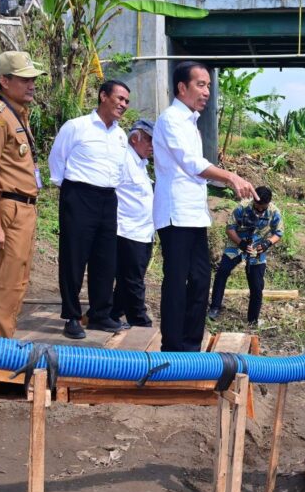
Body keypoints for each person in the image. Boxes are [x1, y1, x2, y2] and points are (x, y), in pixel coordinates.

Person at [153, 61, 256, 352]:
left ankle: (190, 344)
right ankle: (173, 347)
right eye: (201, 84)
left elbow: (195, 168)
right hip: (175, 214)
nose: (207, 91)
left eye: (209, 85)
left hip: (194, 214)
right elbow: (191, 164)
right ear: (182, 87)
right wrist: (231, 176)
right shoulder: (171, 119)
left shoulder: (191, 123)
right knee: (177, 280)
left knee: (200, 278)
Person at [48, 80, 130, 339]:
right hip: (79, 195)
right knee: (74, 257)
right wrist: (70, 192)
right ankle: (72, 316)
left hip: (108, 198)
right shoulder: (77, 126)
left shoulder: (120, 134)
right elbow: (57, 160)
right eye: (119, 98)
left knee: (106, 259)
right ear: (103, 96)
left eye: (127, 101)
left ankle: (100, 314)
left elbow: (120, 170)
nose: (123, 105)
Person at [0, 51, 46, 338]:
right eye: (23, 79)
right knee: (6, 280)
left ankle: (3, 343)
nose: (31, 85)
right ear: (4, 81)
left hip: (25, 207)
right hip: (10, 207)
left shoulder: (17, 114)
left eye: (32, 79)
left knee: (18, 279)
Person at [207, 186, 284, 327]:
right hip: (236, 243)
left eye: (263, 208)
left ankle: (252, 319)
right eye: (257, 207)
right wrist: (241, 243)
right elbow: (229, 228)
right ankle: (215, 307)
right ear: (254, 200)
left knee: (257, 284)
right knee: (222, 272)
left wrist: (267, 243)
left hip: (257, 247)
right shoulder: (241, 208)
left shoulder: (274, 212)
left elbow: (278, 232)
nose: (259, 211)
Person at [110, 119, 156, 329]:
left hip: (143, 231)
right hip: (128, 230)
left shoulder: (140, 163)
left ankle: (114, 311)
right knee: (133, 278)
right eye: (149, 140)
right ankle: (139, 319)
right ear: (135, 138)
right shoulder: (124, 159)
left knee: (129, 277)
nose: (152, 146)